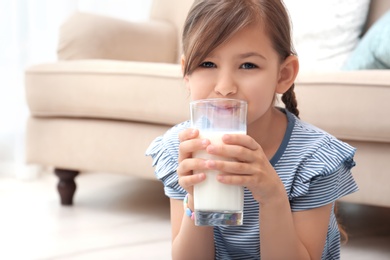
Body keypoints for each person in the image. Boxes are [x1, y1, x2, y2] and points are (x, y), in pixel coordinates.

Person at [146, 0, 358, 259]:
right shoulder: (180, 149)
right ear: (186, 75)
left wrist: (272, 196)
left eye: (248, 65)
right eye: (207, 64)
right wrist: (195, 199)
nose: (225, 87)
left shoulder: (313, 159)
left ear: (283, 75)